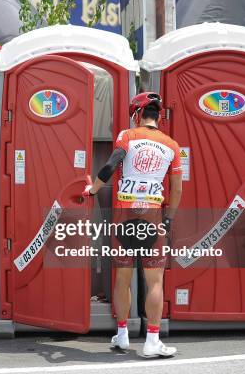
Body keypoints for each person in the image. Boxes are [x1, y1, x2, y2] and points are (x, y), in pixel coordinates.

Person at [83, 92, 183, 358]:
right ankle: (152, 340)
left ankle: (123, 334)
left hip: (125, 218)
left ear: (138, 114)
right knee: (155, 282)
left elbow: (111, 164)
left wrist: (93, 189)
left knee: (122, 279)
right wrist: (169, 219)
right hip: (153, 218)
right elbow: (176, 190)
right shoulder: (172, 145)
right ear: (158, 116)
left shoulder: (127, 136)